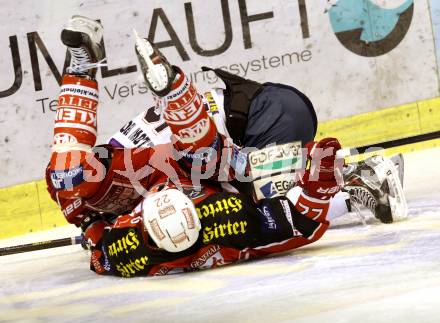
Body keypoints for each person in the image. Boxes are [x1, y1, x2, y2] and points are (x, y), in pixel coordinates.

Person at [46, 16, 346, 277]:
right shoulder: (224, 220)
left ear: (136, 222)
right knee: (242, 178)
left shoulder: (122, 252)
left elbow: (81, 219)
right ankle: (349, 185)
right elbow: (297, 226)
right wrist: (319, 190)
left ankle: (82, 66)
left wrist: (89, 226)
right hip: (259, 123)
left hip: (179, 152)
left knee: (66, 176)